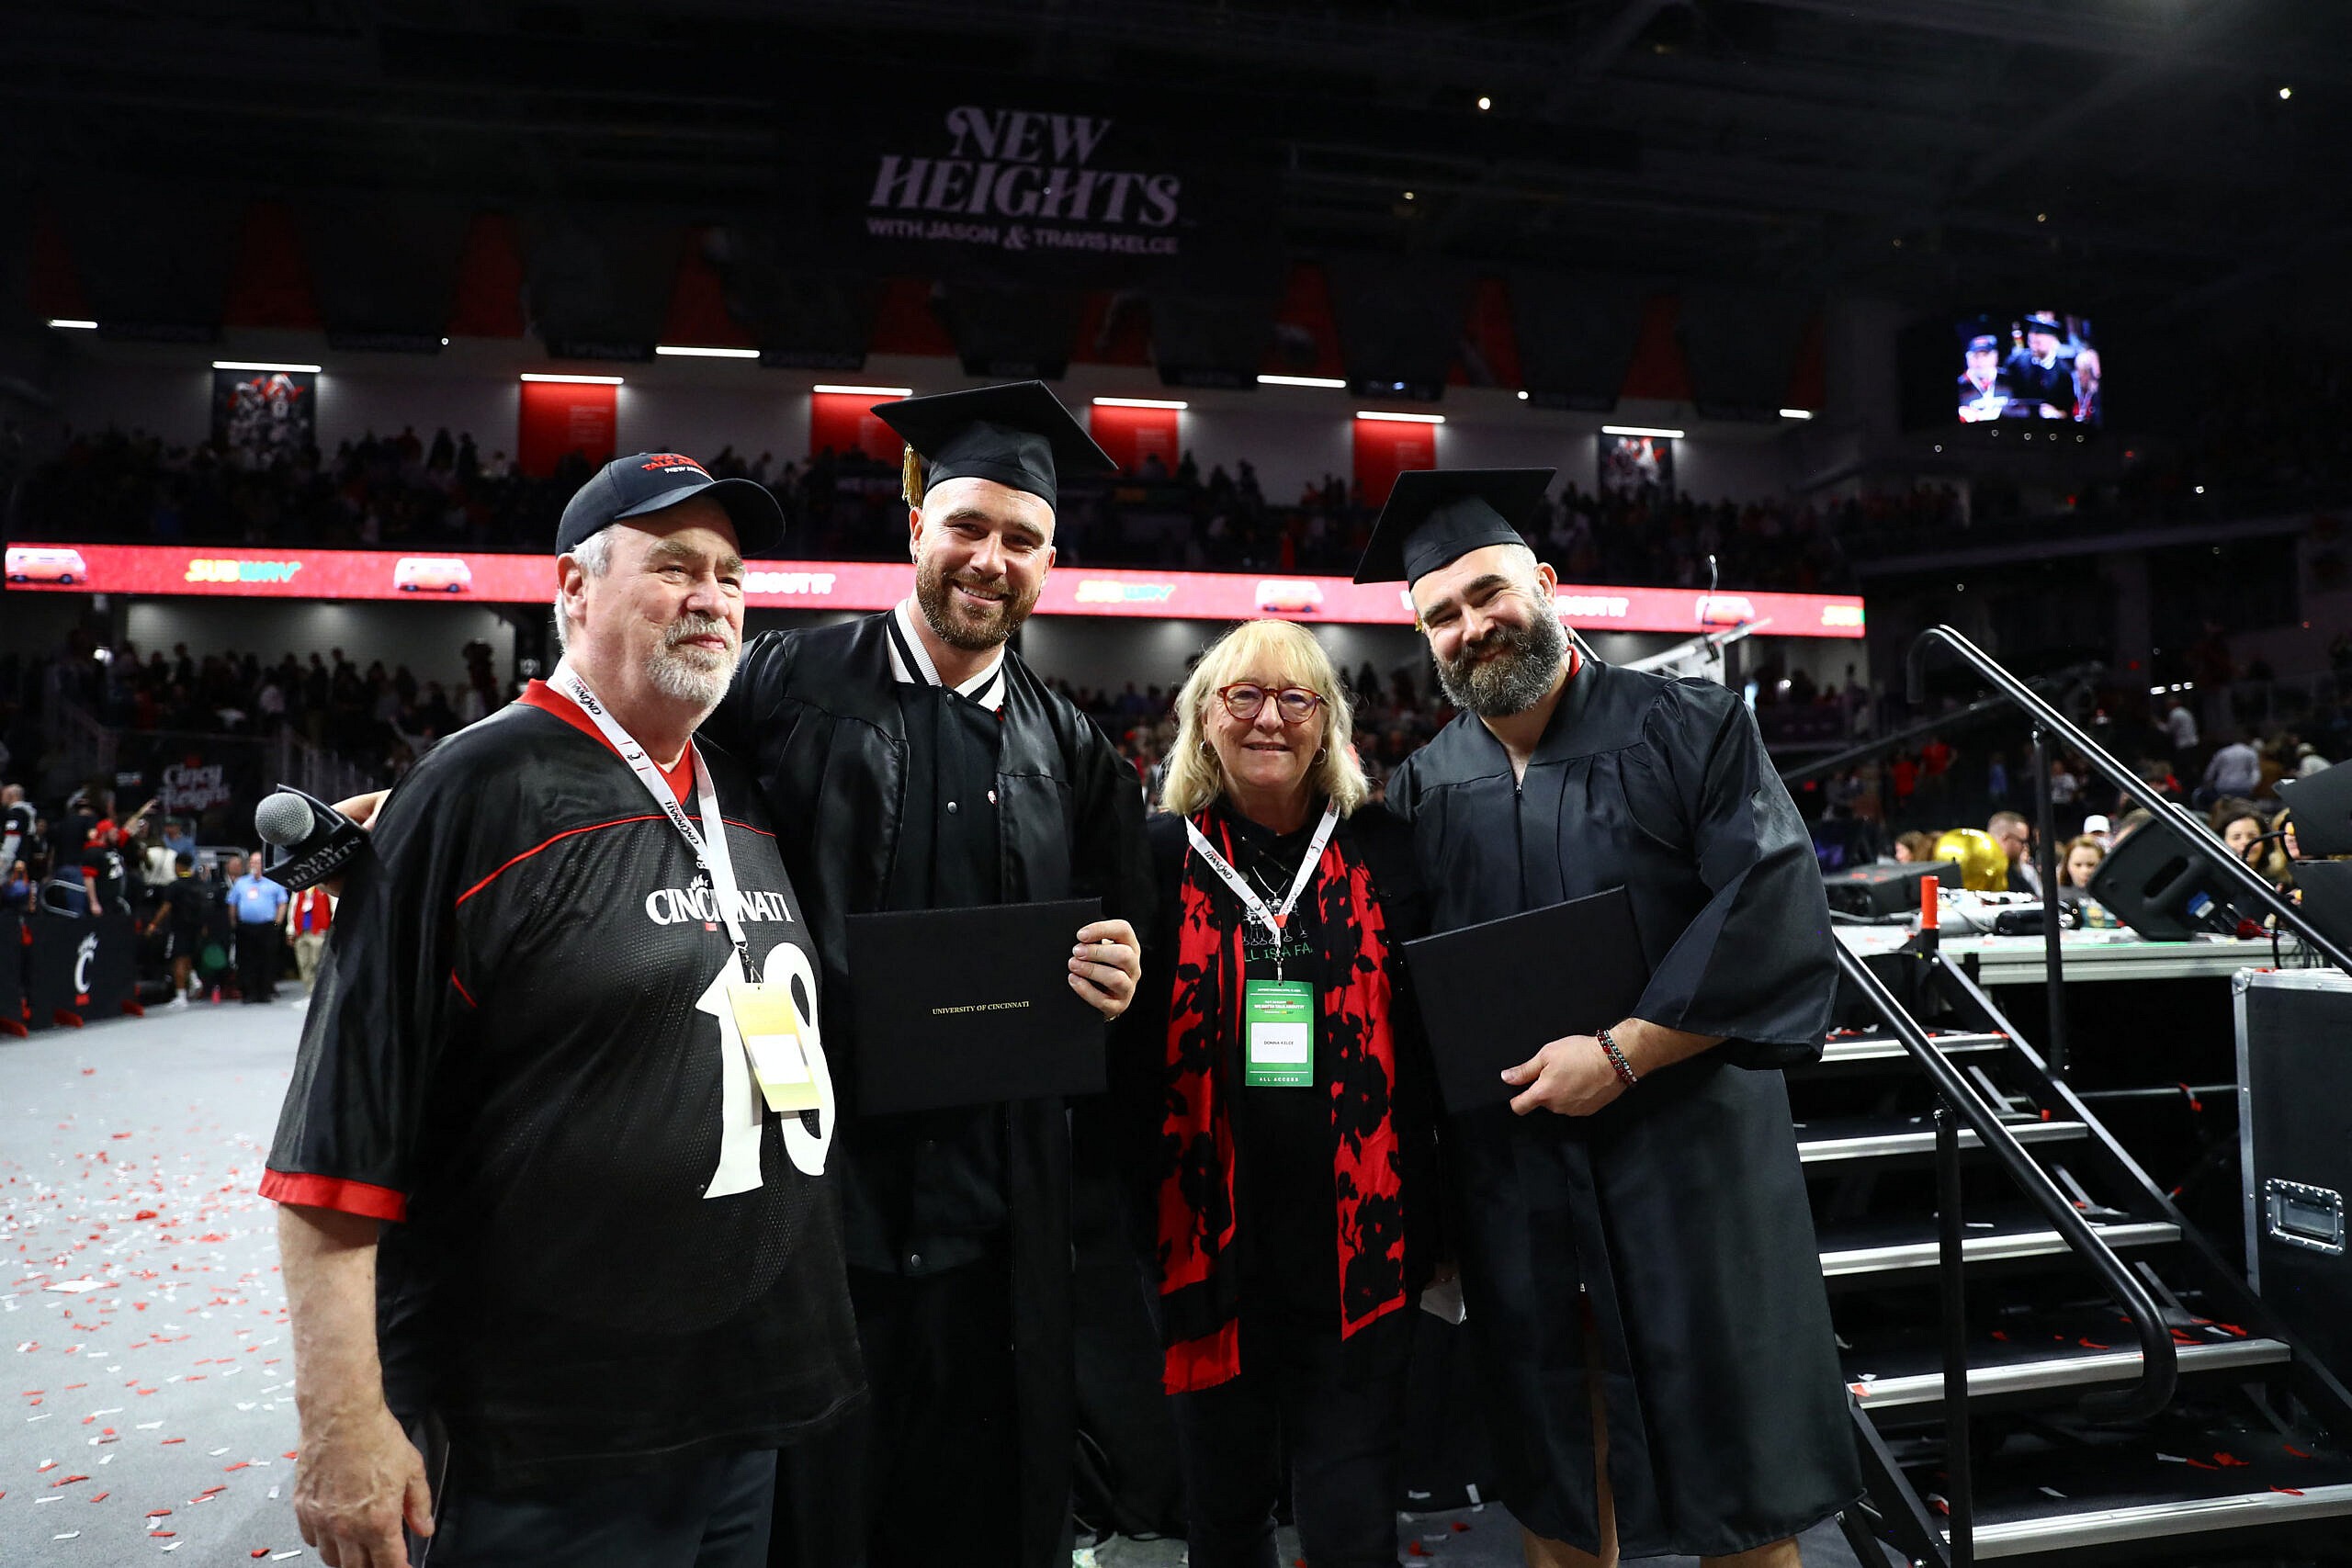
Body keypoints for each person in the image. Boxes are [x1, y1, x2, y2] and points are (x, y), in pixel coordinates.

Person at [262, 453, 862, 1568]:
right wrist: (341, 1419)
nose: (711, 597)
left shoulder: (741, 795)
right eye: (673, 566)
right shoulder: (474, 790)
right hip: (549, 1441)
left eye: (730, 575)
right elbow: (339, 1139)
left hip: (740, 1414)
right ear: (574, 589)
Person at [1362, 469, 1857, 1566]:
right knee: (1553, 1474)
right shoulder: (1423, 787)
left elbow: (1768, 904)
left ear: (1544, 583)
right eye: (1441, 615)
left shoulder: (1687, 725)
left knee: (1739, 1475)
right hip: (1519, 1172)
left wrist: (1624, 1054)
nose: (1471, 627)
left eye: (1487, 593)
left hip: (1686, 1159)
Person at [702, 382, 1151, 1568]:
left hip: (995, 1228)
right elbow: (643, 793)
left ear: (1050, 561)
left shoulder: (1072, 748)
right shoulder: (783, 686)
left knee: (979, 1515)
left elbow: (1124, 930)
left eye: (1021, 539)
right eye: (967, 526)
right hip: (818, 1204)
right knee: (821, 1522)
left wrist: (1121, 969)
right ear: (914, 527)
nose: (989, 560)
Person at [1120, 619, 1437, 1568]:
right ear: (1203, 719)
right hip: (1202, 1240)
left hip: (1359, 1239)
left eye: (1297, 698)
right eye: (1244, 696)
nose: (1270, 718)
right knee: (1223, 1513)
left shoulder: (1387, 850)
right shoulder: (1151, 859)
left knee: (1352, 1518)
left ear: (1328, 724)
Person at [229, 852, 289, 1002]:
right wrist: (234, 922)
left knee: (267, 959)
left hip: (267, 927)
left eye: (257, 862)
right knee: (246, 960)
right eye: (252, 862)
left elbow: (282, 903)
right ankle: (249, 992)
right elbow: (232, 903)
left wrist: (277, 923)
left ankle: (265, 992)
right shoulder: (241, 882)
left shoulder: (273, 882)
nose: (254, 865)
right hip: (246, 927)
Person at [285, 882, 334, 991]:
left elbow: (333, 907)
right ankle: (310, 992)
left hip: (319, 932)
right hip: (301, 932)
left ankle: (320, 991)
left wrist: (333, 929)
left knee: (317, 962)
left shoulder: (325, 887)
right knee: (304, 964)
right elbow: (293, 908)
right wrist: (290, 930)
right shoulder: (299, 888)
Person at [1955, 333, 2011, 422]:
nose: (1980, 361)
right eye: (1975, 356)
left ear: (1995, 357)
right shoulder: (1960, 385)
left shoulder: (2008, 379)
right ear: (1968, 359)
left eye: (1985, 355)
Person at [2201, 728, 2262, 805]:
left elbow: (2210, 772)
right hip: (2242, 788)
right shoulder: (2250, 753)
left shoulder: (2223, 752)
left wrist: (2207, 784)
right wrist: (2251, 786)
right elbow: (2255, 773)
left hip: (2223, 787)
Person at [1987, 809, 2038, 895]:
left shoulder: (2016, 874)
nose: (2024, 847)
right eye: (2022, 841)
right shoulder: (1981, 872)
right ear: (2005, 839)